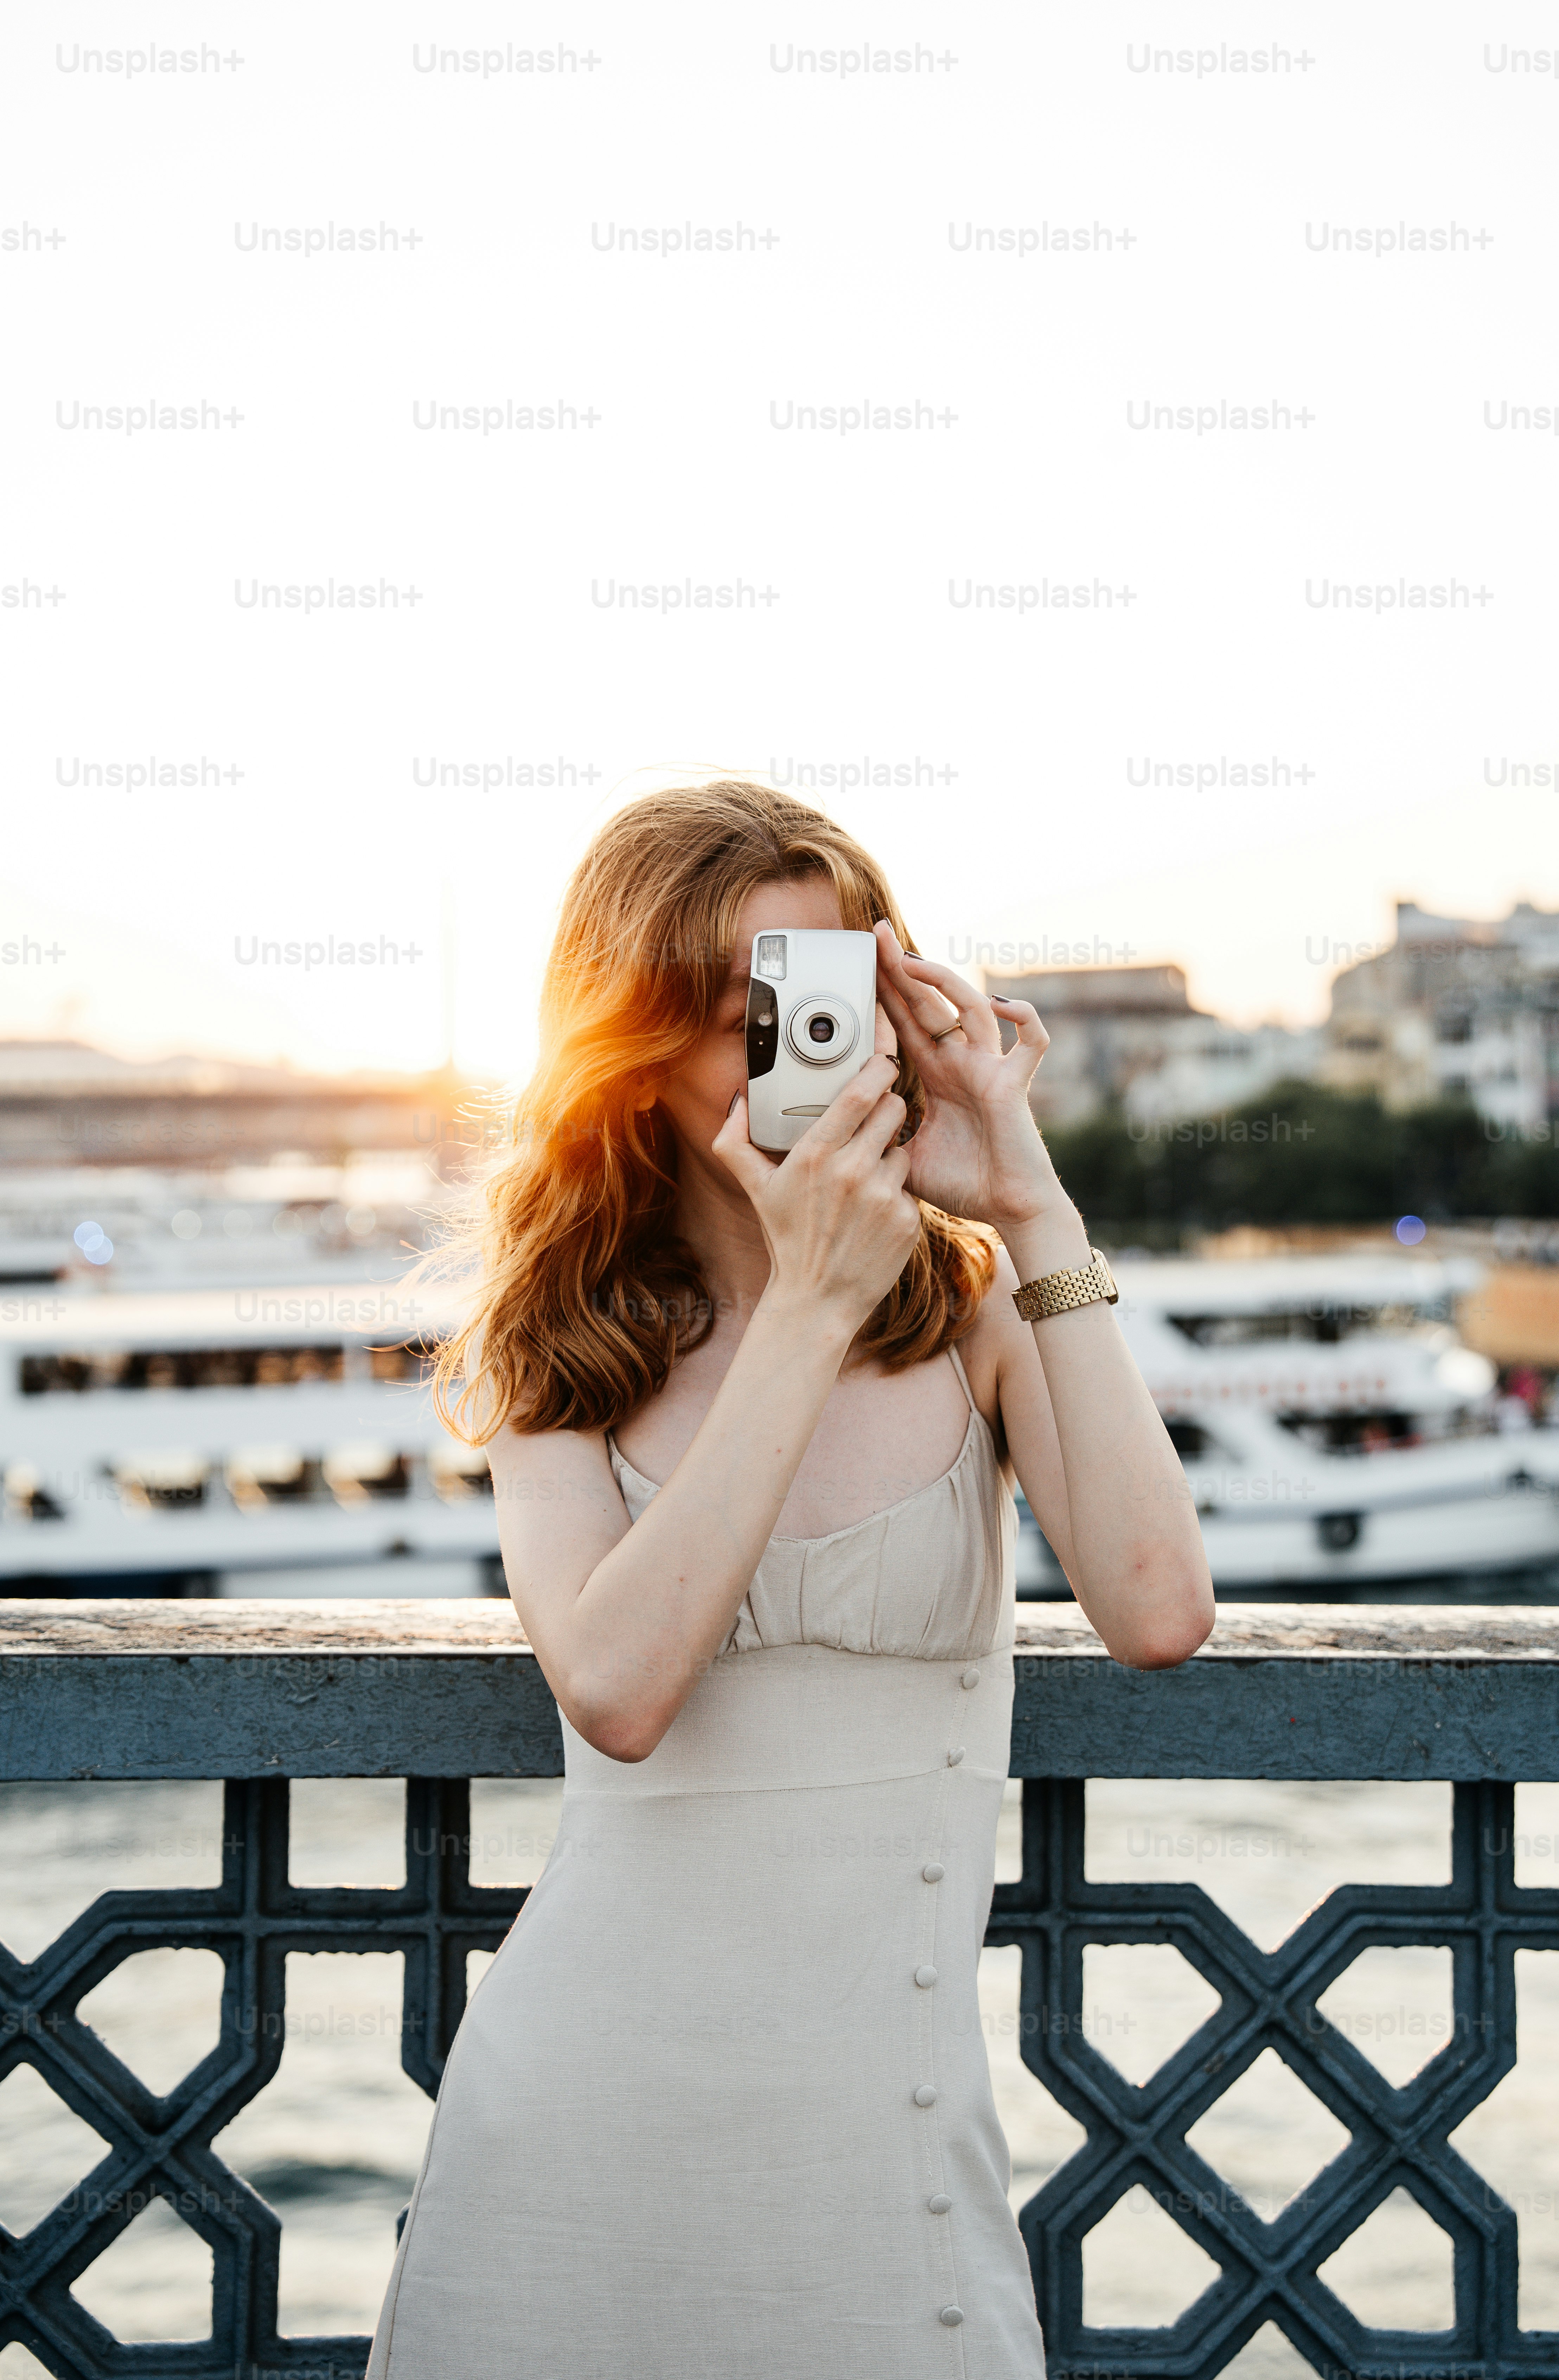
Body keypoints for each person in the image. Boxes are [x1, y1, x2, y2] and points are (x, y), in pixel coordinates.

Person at [368, 780, 1214, 2378]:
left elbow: (1157, 1605)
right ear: (639, 1038)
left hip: (878, 2148)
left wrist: (1025, 1188)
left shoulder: (972, 1307)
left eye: (830, 992)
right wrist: (806, 1306)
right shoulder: (554, 1344)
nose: (799, 1044)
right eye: (746, 1002)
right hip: (576, 2130)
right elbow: (616, 1689)